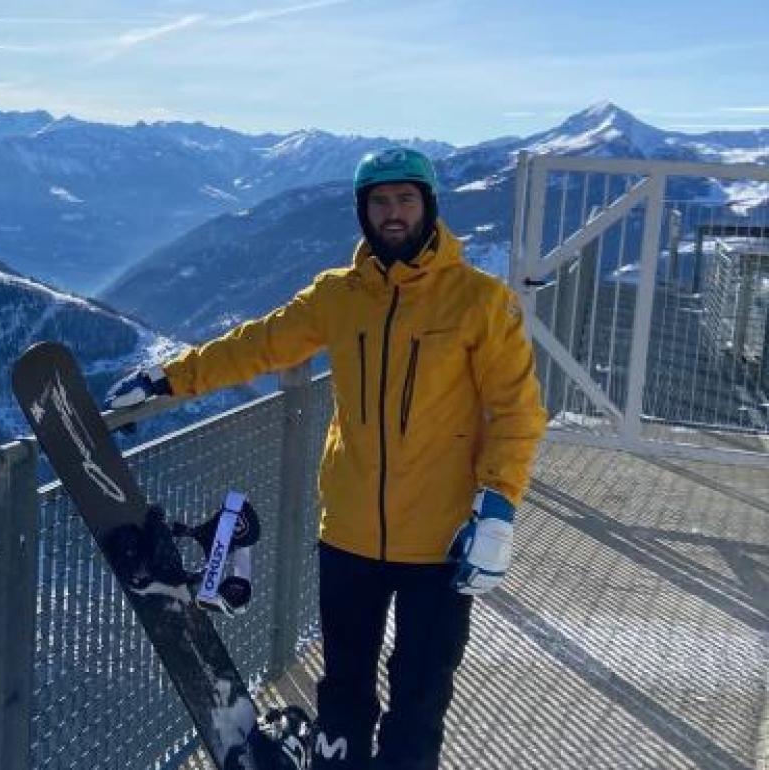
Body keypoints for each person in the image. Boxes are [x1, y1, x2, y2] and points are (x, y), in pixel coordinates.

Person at [104, 146, 547, 770]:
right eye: (380, 202)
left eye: (406, 200)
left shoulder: (478, 302)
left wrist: (498, 507)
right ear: (365, 213)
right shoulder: (339, 296)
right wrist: (169, 378)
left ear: (429, 207)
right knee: (344, 691)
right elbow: (261, 343)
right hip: (350, 535)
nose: (394, 214)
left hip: (443, 541)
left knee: (420, 698)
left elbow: (517, 410)